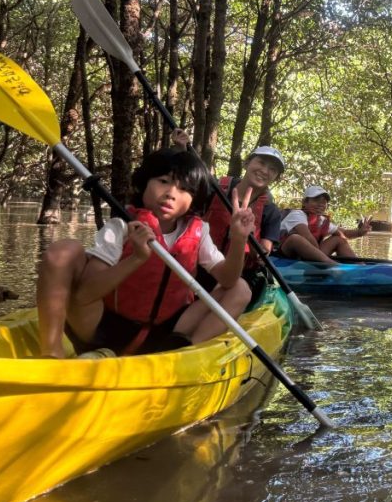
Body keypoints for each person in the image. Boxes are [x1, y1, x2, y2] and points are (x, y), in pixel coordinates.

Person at [35, 148, 255, 359]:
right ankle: (52, 352)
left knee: (240, 289)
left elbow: (228, 279)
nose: (171, 194)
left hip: (167, 330)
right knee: (63, 251)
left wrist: (238, 239)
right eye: (163, 181)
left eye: (184, 189)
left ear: (194, 199)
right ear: (145, 183)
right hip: (104, 327)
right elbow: (84, 295)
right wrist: (136, 259)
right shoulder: (121, 227)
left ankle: (186, 354)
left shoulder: (199, 231)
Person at [172, 131, 284, 294]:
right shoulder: (215, 188)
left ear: (276, 177)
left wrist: (248, 236)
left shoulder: (270, 211)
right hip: (201, 263)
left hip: (239, 274)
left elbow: (263, 255)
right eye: (261, 162)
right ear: (247, 163)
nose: (265, 171)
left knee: (233, 288)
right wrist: (182, 150)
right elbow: (183, 185)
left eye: (272, 169)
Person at [278, 186, 372, 263]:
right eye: (316, 200)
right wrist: (323, 256)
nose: (321, 204)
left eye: (324, 202)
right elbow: (308, 237)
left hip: (310, 256)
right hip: (285, 255)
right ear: (304, 202)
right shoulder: (297, 214)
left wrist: (360, 232)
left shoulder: (321, 220)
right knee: (295, 238)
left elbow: (344, 233)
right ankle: (333, 265)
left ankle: (360, 266)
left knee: (338, 239)